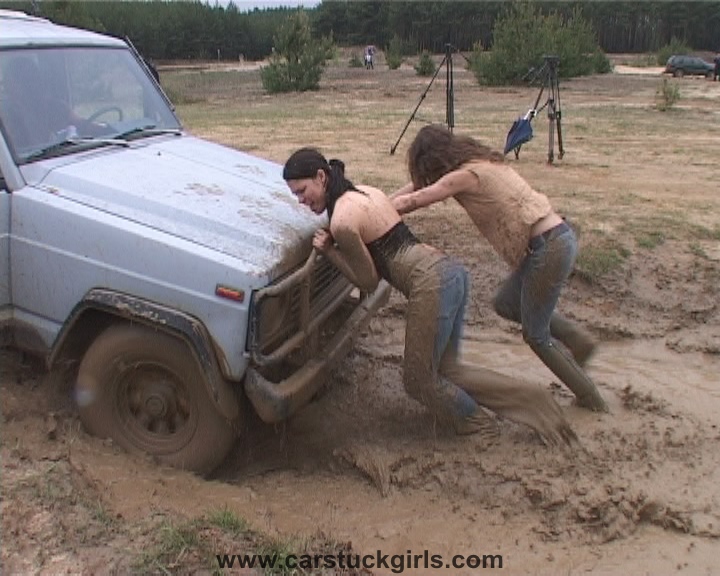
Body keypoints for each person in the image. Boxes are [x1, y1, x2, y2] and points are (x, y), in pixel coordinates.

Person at [283, 147, 577, 446]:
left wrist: (329, 251)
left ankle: (479, 424)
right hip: (451, 272)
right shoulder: (366, 192)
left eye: (302, 191)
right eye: (295, 196)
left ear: (321, 177)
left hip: (431, 283)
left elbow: (368, 281)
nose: (302, 201)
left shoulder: (342, 222)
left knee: (418, 381)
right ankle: (530, 402)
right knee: (448, 371)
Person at [391, 124, 608, 413]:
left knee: (536, 335)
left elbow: (416, 199)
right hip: (556, 238)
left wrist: (379, 212)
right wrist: (377, 201)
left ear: (431, 159)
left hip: (547, 249)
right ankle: (578, 341)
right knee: (506, 303)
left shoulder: (466, 175)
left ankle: (591, 399)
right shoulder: (481, 162)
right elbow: (420, 187)